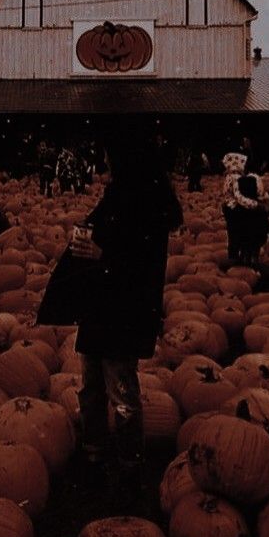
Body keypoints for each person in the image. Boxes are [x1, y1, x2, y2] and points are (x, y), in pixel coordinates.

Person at [71, 134, 183, 510]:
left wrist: (102, 252)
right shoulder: (118, 197)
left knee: (121, 393)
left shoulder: (148, 205)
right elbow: (102, 233)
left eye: (107, 162)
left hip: (123, 311)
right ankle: (94, 454)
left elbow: (142, 267)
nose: (103, 170)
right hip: (101, 307)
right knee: (91, 385)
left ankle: (128, 468)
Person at [222, 152, 263, 262]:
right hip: (234, 209)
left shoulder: (228, 176)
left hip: (228, 207)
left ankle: (234, 256)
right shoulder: (235, 177)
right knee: (240, 231)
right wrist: (253, 204)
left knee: (232, 233)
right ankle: (240, 257)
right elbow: (238, 196)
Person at [234, 174, 269, 267]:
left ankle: (244, 258)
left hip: (242, 237)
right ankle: (254, 261)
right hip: (256, 237)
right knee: (255, 245)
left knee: (245, 245)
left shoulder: (238, 207)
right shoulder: (258, 207)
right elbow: (265, 221)